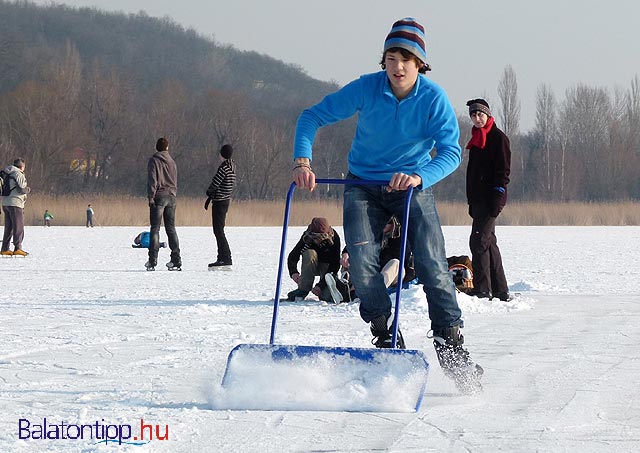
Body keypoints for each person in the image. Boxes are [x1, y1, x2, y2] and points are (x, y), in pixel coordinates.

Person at [292, 18, 482, 386]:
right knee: (362, 264)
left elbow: (451, 152)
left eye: (407, 59)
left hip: (412, 187)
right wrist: (303, 161)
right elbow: (311, 116)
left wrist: (419, 175)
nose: (398, 66)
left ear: (420, 64)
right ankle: (384, 330)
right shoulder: (367, 88)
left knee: (432, 265)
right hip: (363, 186)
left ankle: (450, 342)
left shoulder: (433, 98)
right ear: (384, 60)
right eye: (392, 57)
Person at [465, 98, 511, 301]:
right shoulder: (476, 139)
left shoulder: (498, 138)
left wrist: (498, 195)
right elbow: (472, 174)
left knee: (478, 241)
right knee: (489, 242)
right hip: (478, 199)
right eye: (474, 115)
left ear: (488, 115)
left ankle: (483, 289)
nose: (477, 119)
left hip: (491, 198)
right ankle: (500, 289)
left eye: (480, 115)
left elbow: (503, 171)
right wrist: (471, 200)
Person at [329, 216, 417, 303]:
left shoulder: (401, 237)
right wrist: (346, 254)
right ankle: (348, 289)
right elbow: (355, 244)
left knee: (395, 263)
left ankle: (371, 293)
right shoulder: (371, 232)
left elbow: (401, 258)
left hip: (395, 274)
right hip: (371, 272)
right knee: (358, 256)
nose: (384, 224)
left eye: (388, 222)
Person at [146, 137, 181, 271]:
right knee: (171, 229)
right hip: (171, 197)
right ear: (167, 148)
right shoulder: (172, 162)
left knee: (155, 228)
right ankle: (176, 259)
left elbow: (152, 180)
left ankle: (152, 260)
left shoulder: (154, 161)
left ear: (157, 147)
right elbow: (175, 180)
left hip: (159, 196)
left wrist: (151, 197)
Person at [286, 217, 341, 302]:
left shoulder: (334, 238)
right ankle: (303, 290)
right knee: (309, 253)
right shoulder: (306, 237)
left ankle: (325, 292)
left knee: (326, 297)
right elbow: (293, 256)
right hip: (310, 266)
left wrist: (320, 286)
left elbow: (335, 265)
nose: (318, 240)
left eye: (322, 237)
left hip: (328, 269)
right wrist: (294, 272)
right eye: (315, 237)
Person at [205, 144, 236, 268]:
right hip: (225, 200)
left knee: (218, 230)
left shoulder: (224, 168)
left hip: (219, 201)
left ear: (222, 154)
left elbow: (215, 182)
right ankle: (222, 257)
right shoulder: (232, 166)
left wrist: (209, 192)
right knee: (219, 230)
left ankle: (225, 257)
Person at [1, 158, 31, 256]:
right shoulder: (18, 173)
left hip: (5, 202)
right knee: (18, 226)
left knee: (8, 227)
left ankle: (5, 248)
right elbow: (21, 189)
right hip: (16, 203)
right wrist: (28, 190)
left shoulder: (6, 172)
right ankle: (18, 248)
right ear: (22, 166)